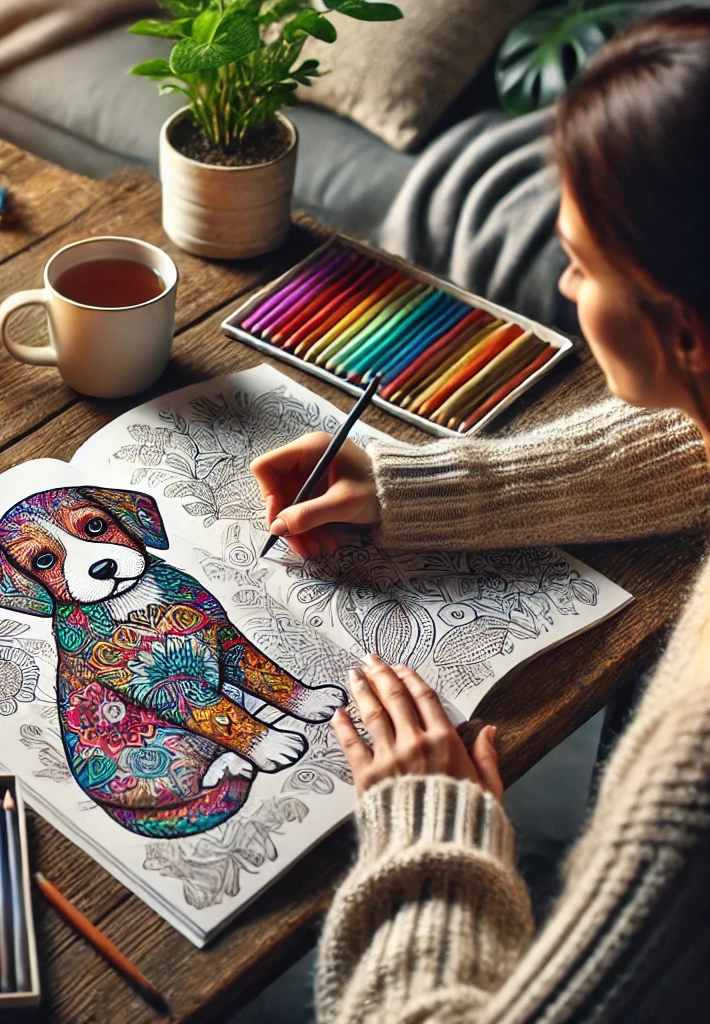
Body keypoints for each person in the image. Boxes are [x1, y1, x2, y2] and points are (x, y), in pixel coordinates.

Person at [250, 12, 710, 1022]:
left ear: (682, 327)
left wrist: (431, 824)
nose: (561, 286)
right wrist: (411, 491)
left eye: (581, 264)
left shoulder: (692, 769)